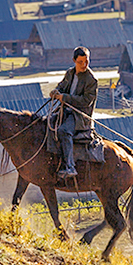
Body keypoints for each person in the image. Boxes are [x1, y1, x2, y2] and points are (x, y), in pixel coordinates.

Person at [49, 46, 98, 178]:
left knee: (64, 131)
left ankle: (70, 167)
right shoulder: (70, 73)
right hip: (65, 111)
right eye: (80, 62)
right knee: (46, 124)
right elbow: (62, 86)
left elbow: (85, 101)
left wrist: (64, 98)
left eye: (86, 61)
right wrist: (56, 92)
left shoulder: (91, 80)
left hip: (80, 116)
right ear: (74, 61)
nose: (84, 65)